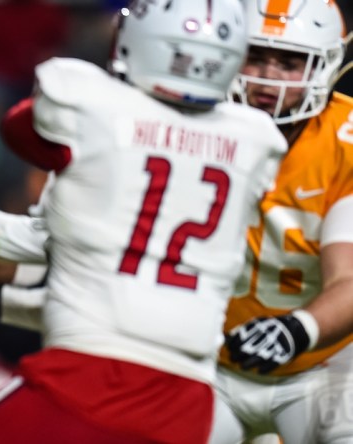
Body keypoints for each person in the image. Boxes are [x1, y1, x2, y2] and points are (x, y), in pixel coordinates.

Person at [0, 0, 290, 442]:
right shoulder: (257, 141)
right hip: (190, 404)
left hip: (84, 378)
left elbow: (19, 130)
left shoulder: (88, 102)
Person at [209, 2, 353, 443]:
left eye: (289, 63)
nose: (267, 76)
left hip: (324, 362)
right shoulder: (199, 123)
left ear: (322, 67)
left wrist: (296, 329)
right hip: (211, 358)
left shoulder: (345, 141)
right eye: (256, 55)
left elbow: (348, 278)